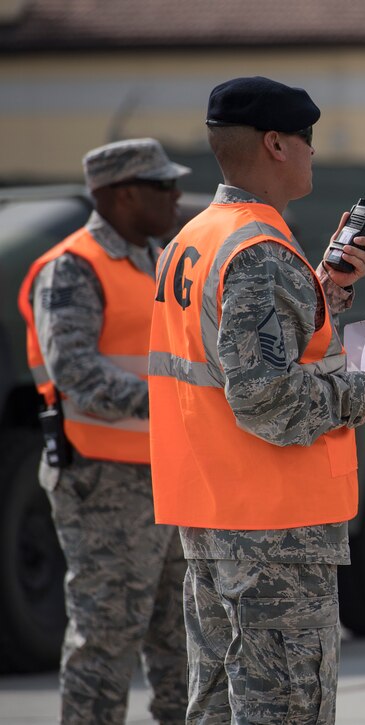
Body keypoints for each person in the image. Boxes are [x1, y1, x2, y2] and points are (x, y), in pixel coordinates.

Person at [147, 76, 365, 723]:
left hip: (211, 519)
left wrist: (326, 287)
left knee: (215, 707)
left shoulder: (194, 238)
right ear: (275, 145)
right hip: (273, 532)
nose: (314, 152)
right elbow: (266, 397)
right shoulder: (260, 249)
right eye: (307, 138)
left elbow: (246, 353)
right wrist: (363, 394)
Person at [17, 138, 191, 724]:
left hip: (168, 477)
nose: (176, 196)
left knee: (184, 642)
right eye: (164, 187)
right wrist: (183, 403)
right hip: (104, 484)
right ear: (123, 194)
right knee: (107, 640)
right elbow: (78, 376)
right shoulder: (72, 268)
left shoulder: (159, 258)